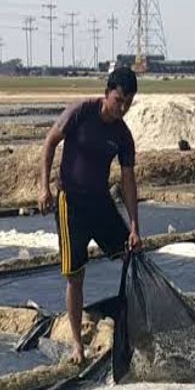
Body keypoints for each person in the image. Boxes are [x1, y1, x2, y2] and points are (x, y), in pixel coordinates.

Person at [38, 67, 143, 365]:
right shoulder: (81, 112)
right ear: (107, 93)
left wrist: (135, 225)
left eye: (128, 103)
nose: (121, 108)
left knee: (131, 252)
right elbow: (50, 143)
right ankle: (76, 345)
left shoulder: (122, 136)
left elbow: (128, 181)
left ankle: (132, 328)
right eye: (118, 100)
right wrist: (43, 188)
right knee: (75, 276)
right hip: (70, 202)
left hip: (100, 202)